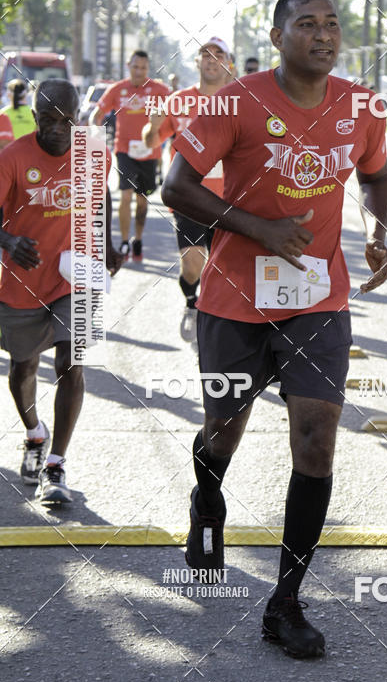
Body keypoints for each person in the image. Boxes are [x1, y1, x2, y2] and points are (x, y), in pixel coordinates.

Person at [162, 0, 387, 659]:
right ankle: (208, 499)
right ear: (277, 36)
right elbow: (176, 186)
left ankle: (286, 601)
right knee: (223, 430)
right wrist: (259, 227)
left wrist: (377, 230)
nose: (323, 35)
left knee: (317, 441)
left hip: (318, 300)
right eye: (307, 24)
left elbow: (377, 176)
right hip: (235, 298)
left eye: (332, 24)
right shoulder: (236, 102)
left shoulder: (362, 105)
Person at [0, 79, 122, 504]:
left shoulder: (94, 154)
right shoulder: (12, 158)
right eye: (48, 120)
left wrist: (108, 242)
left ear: (78, 119)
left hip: (75, 274)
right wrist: (9, 241)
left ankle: (56, 465)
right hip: (23, 278)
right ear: (35, 117)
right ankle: (35, 433)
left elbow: (101, 196)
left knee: (72, 361)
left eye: (66, 121)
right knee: (23, 369)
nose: (56, 129)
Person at [142, 38, 231, 342]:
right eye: (205, 54)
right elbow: (151, 142)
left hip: (229, 199)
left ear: (228, 63)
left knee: (223, 268)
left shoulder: (240, 100)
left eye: (219, 54)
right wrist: (153, 125)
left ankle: (217, 319)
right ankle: (192, 302)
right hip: (188, 196)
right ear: (197, 62)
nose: (211, 59)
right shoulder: (178, 100)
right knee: (192, 265)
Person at [90, 50, 170, 261]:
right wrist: (94, 135)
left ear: (148, 68)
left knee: (142, 201)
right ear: (128, 66)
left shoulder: (159, 90)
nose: (139, 72)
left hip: (150, 151)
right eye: (135, 67)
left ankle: (138, 239)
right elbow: (97, 114)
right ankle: (124, 241)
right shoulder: (118, 89)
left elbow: (176, 110)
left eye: (143, 68)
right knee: (126, 195)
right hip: (124, 150)